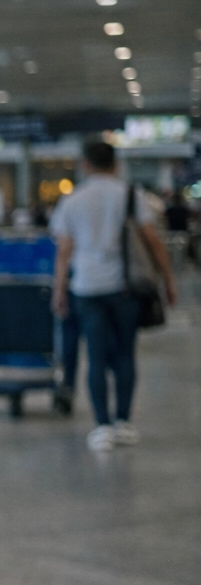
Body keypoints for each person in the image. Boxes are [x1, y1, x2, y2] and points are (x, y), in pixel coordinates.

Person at [51, 139, 178, 451]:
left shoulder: (73, 200)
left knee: (94, 355)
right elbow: (152, 241)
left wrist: (59, 290)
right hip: (125, 288)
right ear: (116, 164)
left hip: (87, 288)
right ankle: (123, 422)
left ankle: (102, 426)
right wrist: (168, 280)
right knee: (124, 353)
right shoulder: (132, 195)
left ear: (85, 165)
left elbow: (64, 251)